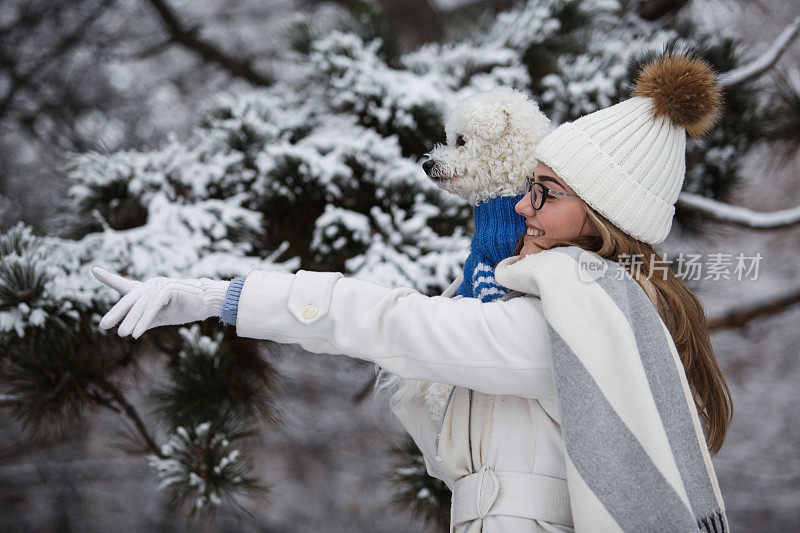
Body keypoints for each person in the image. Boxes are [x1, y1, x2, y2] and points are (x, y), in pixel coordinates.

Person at [92, 47, 733, 533]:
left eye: (546, 193)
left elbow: (394, 324)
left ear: (602, 218)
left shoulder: (573, 318)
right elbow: (443, 443)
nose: (525, 208)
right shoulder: (590, 313)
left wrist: (223, 297)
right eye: (526, 187)